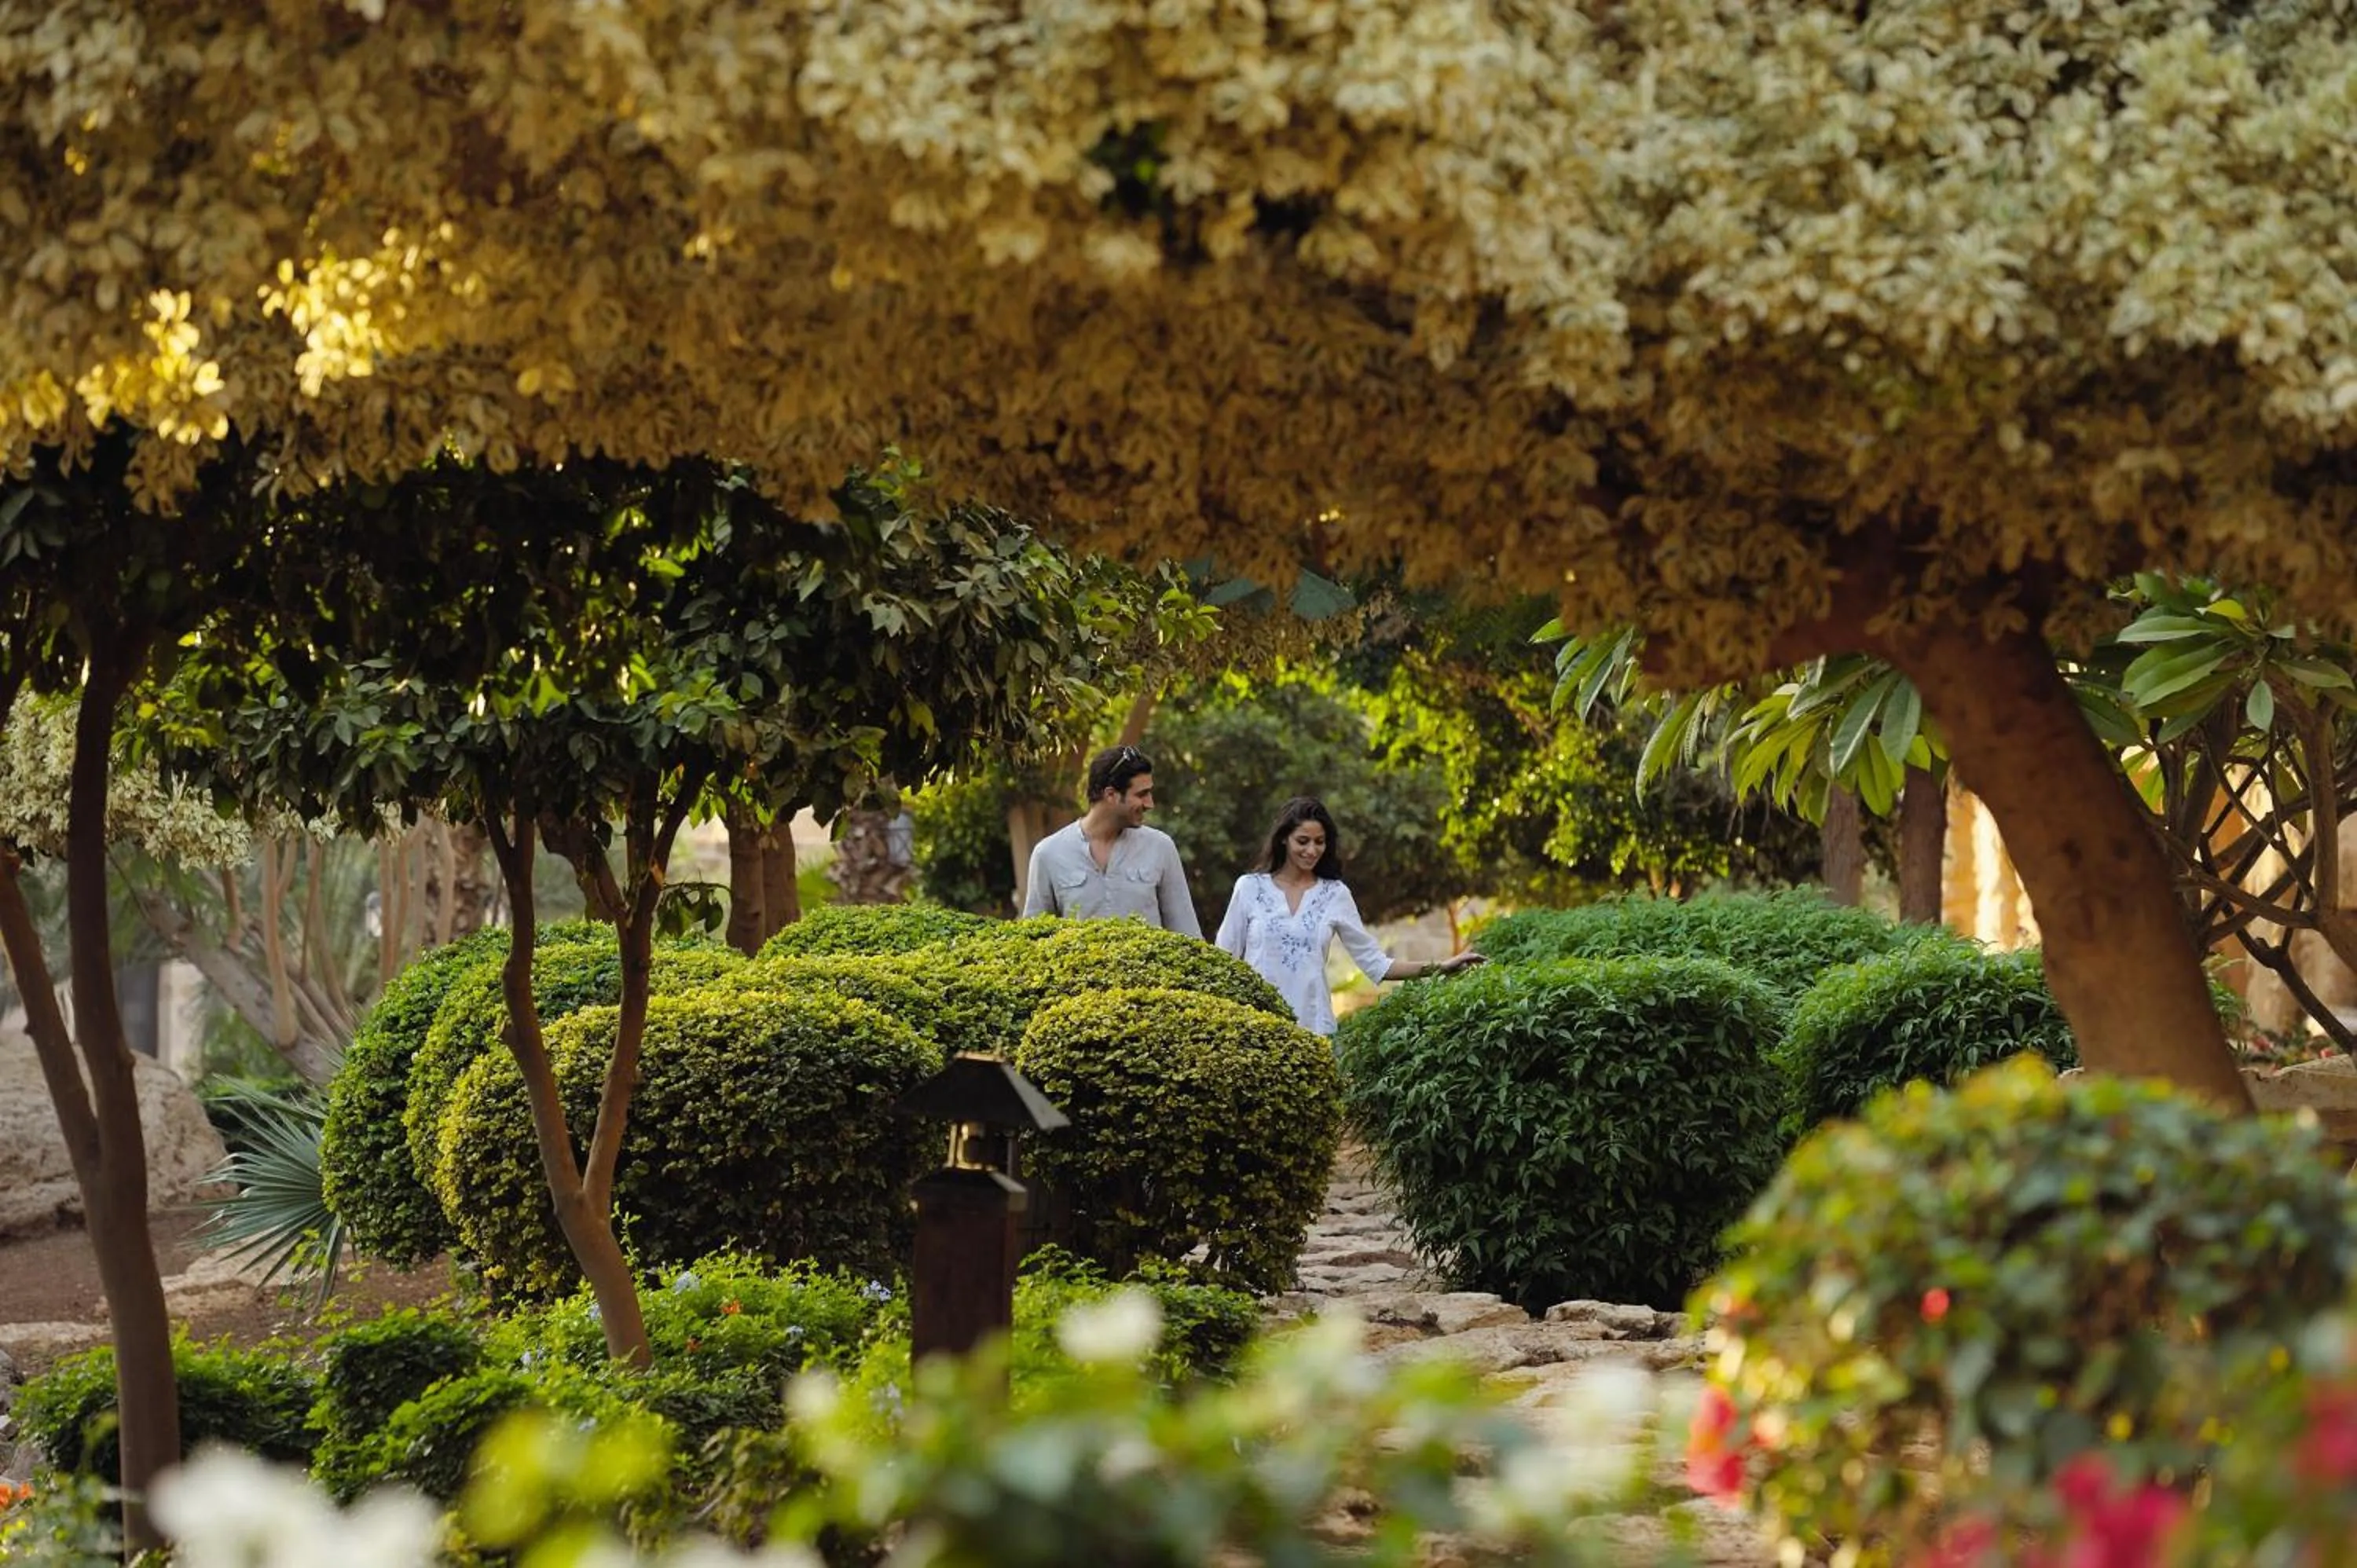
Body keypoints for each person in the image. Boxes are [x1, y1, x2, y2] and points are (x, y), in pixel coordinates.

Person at [1214, 797, 1483, 1035]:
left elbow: (1377, 964)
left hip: (1313, 1032)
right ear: (1284, 838)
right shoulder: (1249, 888)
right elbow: (1223, 959)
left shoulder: (1335, 894)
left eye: (1320, 842)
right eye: (1303, 841)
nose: (1311, 851)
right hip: (1255, 1028)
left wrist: (1443, 966)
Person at [1021, 745, 1202, 937]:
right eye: (1142, 794)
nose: (1150, 804)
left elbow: (1188, 934)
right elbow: (1033, 941)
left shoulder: (1161, 848)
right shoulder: (1048, 854)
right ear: (1111, 795)